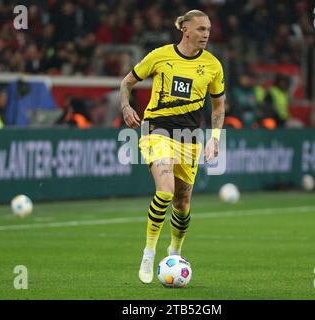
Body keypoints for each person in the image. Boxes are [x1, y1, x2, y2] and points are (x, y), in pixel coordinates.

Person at [119, 9, 225, 284]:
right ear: (185, 29)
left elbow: (219, 105)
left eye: (209, 30)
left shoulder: (213, 65)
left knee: (182, 203)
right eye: (201, 29)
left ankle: (175, 252)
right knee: (164, 191)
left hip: (189, 138)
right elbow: (127, 82)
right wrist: (125, 105)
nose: (206, 35)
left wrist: (215, 138)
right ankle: (148, 252)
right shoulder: (160, 55)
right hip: (158, 131)